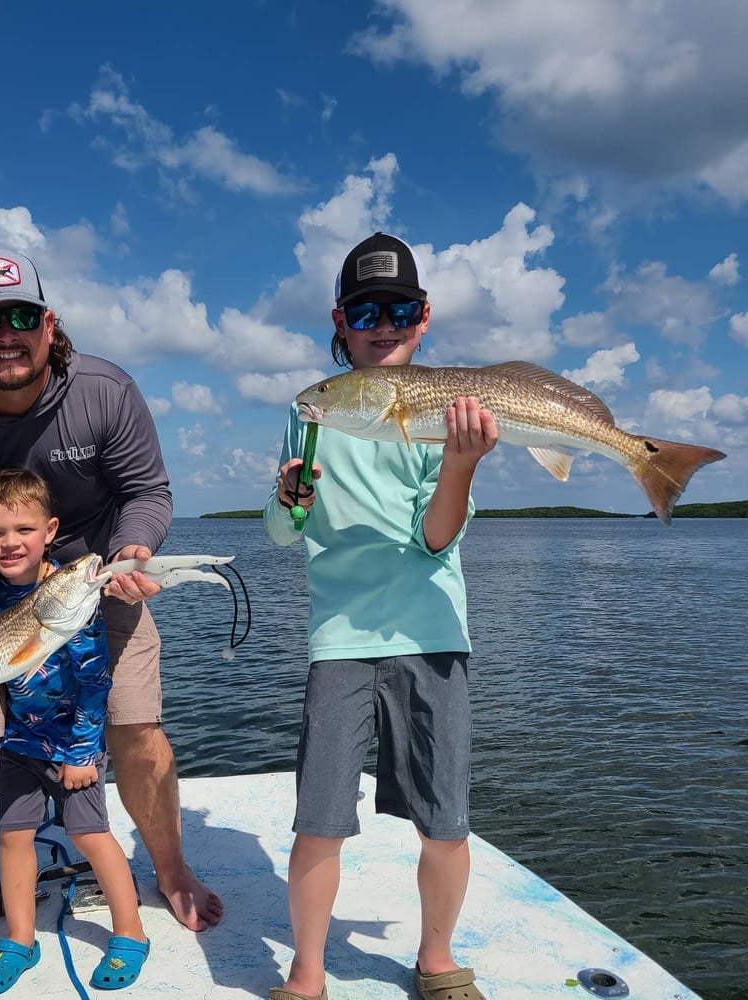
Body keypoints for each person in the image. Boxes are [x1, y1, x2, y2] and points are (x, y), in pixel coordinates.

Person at [0, 246, 222, 982]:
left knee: (138, 726)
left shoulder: (106, 392)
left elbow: (148, 491)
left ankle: (169, 869)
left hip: (97, 582)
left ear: (49, 323)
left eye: (20, 316)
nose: (4, 334)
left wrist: (136, 551)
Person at [262, 233, 497, 1000]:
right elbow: (283, 526)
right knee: (319, 819)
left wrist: (458, 464)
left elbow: (437, 539)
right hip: (340, 640)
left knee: (446, 817)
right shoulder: (316, 409)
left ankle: (436, 958)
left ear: (423, 317)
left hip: (433, 634)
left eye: (399, 308)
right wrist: (289, 498)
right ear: (341, 319)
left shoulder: (444, 410)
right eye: (366, 311)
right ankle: (307, 970)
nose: (383, 323)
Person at [0, 468, 148, 995]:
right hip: (19, 743)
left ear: (50, 530)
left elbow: (95, 683)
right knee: (13, 837)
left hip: (74, 746)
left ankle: (130, 932)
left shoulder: (70, 595)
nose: (9, 542)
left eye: (23, 529)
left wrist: (83, 753)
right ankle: (20, 939)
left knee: (90, 836)